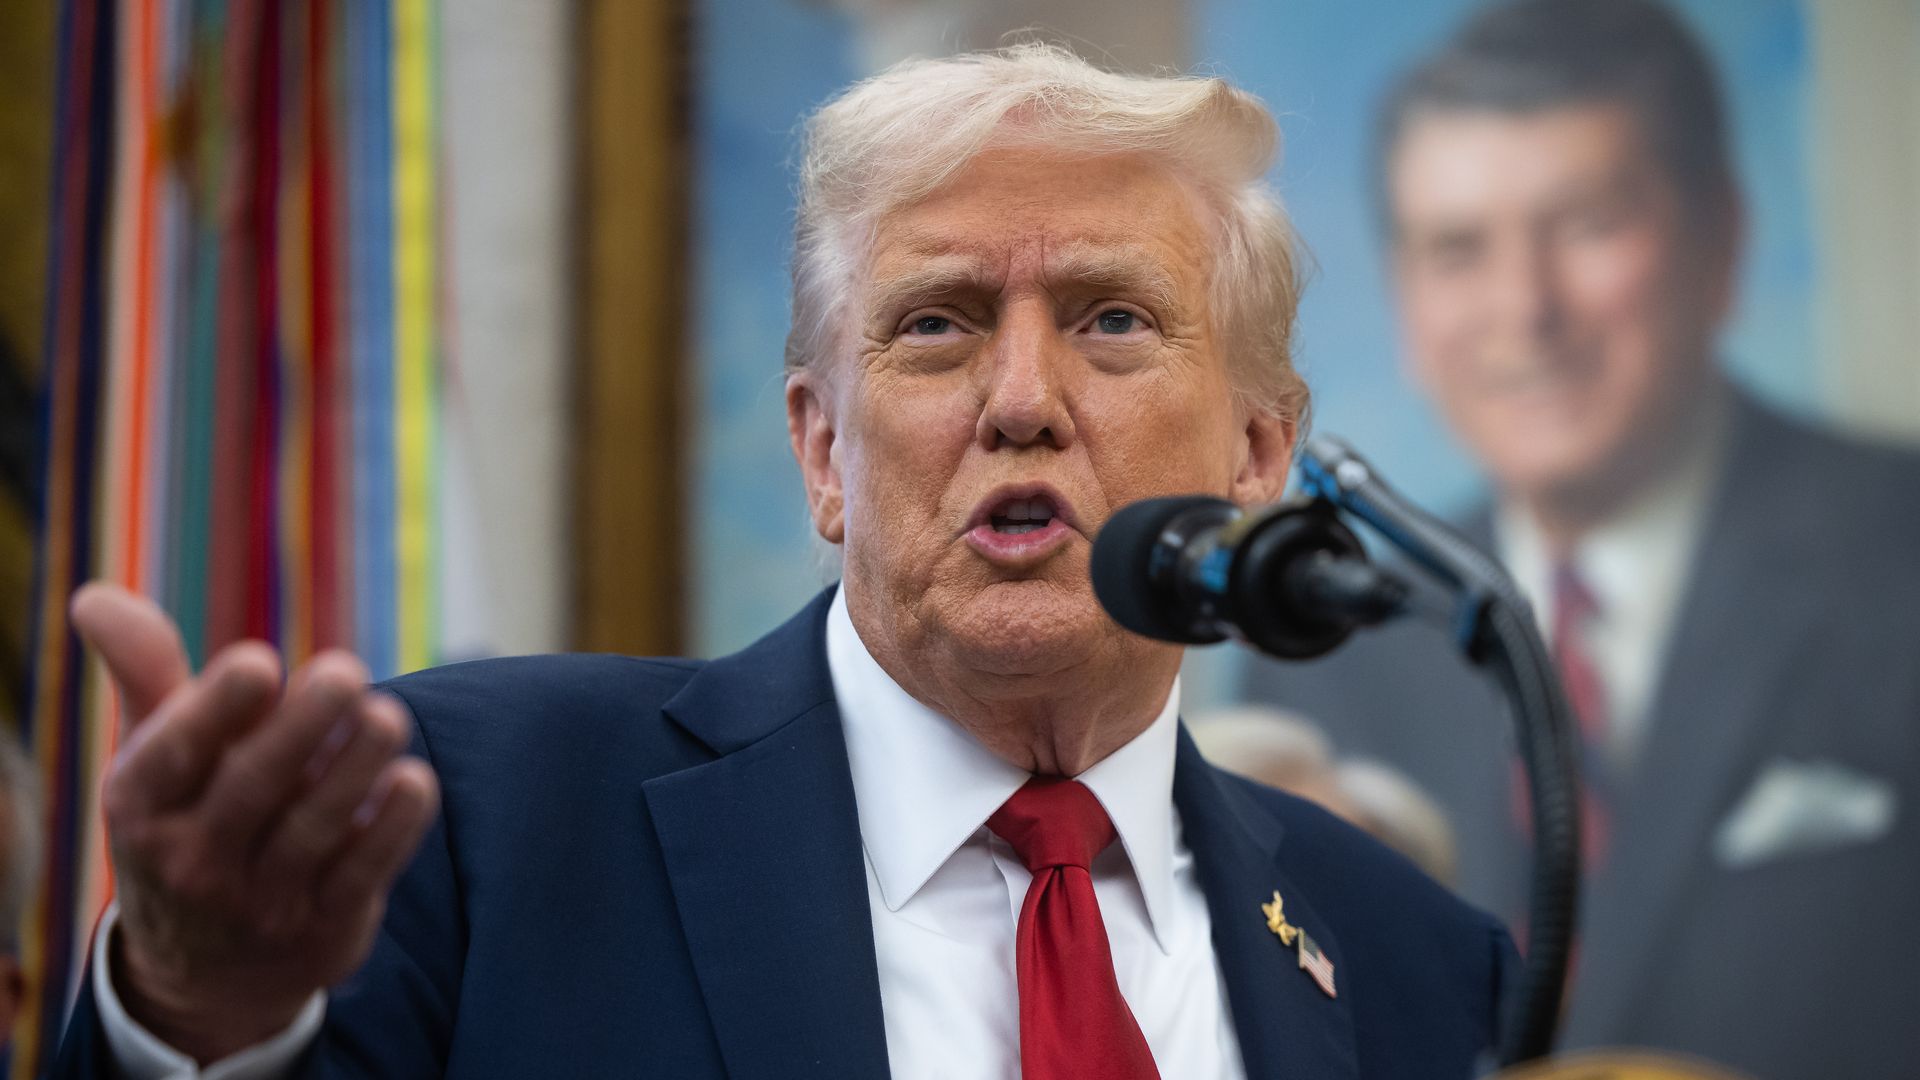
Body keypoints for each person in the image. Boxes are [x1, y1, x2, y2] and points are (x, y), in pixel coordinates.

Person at [53, 46, 1515, 1079]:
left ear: (1260, 451)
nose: (1021, 399)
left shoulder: (1415, 961)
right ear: (825, 454)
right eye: (936, 322)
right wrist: (197, 1018)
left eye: (1113, 320)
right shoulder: (473, 819)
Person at [1244, 2, 1920, 1076]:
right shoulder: (1331, 648)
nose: (1525, 308)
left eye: (1591, 224)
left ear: (1722, 240)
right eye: (1459, 250)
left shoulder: (1901, 557)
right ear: (1406, 296)